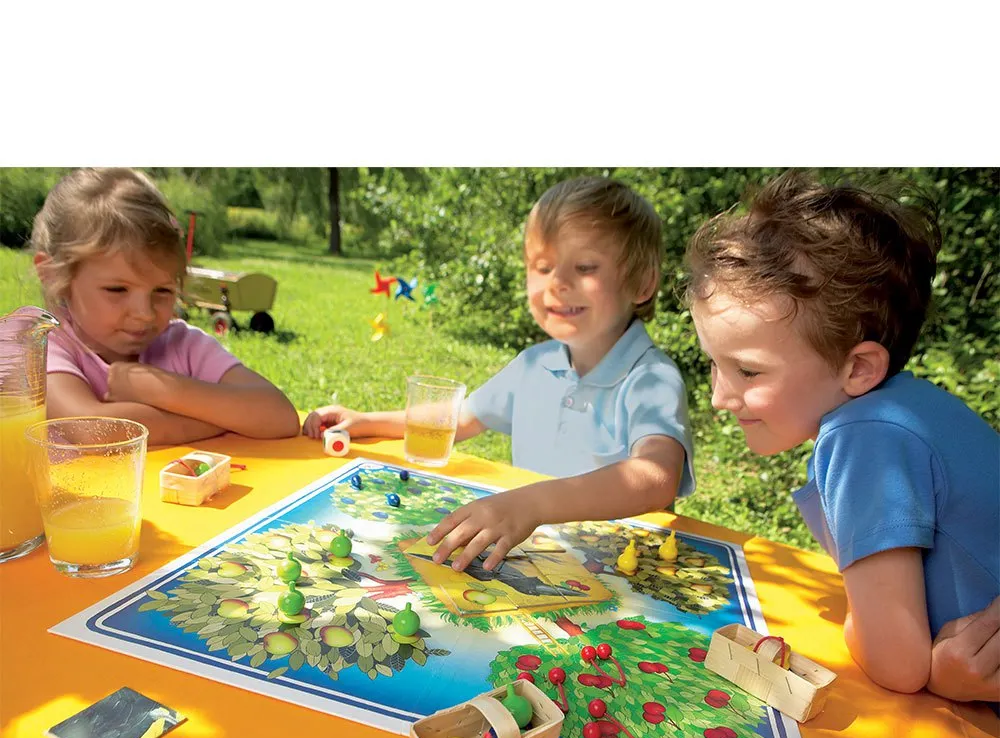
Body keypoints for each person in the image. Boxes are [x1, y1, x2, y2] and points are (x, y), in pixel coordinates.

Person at [685, 170, 1000, 703]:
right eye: (714, 364)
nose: (719, 396)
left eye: (748, 371)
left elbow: (897, 664)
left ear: (858, 369)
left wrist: (920, 658)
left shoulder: (863, 439)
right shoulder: (913, 409)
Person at [304, 176, 695, 572]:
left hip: (621, 573)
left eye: (585, 267)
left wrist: (532, 503)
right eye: (543, 267)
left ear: (642, 283)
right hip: (534, 560)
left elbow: (656, 476)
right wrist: (366, 421)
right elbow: (457, 420)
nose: (557, 283)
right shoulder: (534, 364)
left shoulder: (651, 378)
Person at [32, 168, 299, 445]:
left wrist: (161, 389)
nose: (145, 313)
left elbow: (279, 416)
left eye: (163, 291)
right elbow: (89, 430)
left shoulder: (183, 344)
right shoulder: (44, 348)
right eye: (117, 289)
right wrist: (222, 420)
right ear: (51, 275)